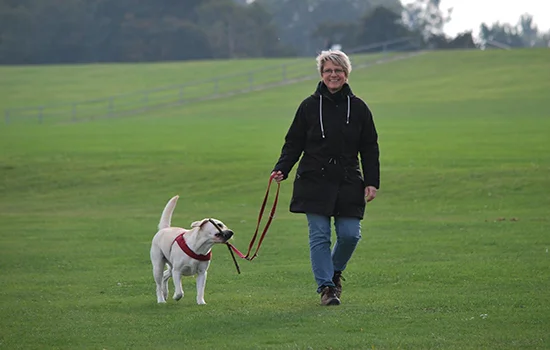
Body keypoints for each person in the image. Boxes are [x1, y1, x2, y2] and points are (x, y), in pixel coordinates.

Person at [271, 49, 380, 306]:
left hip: (349, 179)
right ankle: (327, 288)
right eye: (328, 70)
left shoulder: (360, 108)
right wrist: (282, 168)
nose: (334, 75)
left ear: (346, 74)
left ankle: (334, 271)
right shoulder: (308, 106)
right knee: (319, 235)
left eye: (338, 71)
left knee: (350, 234)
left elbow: (370, 147)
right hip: (314, 179)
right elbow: (293, 143)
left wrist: (372, 181)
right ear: (322, 74)